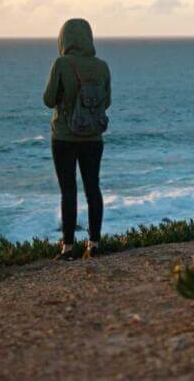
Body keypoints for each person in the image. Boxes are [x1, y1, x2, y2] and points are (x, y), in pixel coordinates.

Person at [43, 19, 111, 260]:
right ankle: (95, 244)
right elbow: (107, 102)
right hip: (93, 138)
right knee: (93, 188)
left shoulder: (61, 63)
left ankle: (68, 248)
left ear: (64, 39)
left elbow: (49, 99)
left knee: (68, 191)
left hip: (64, 137)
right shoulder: (102, 66)